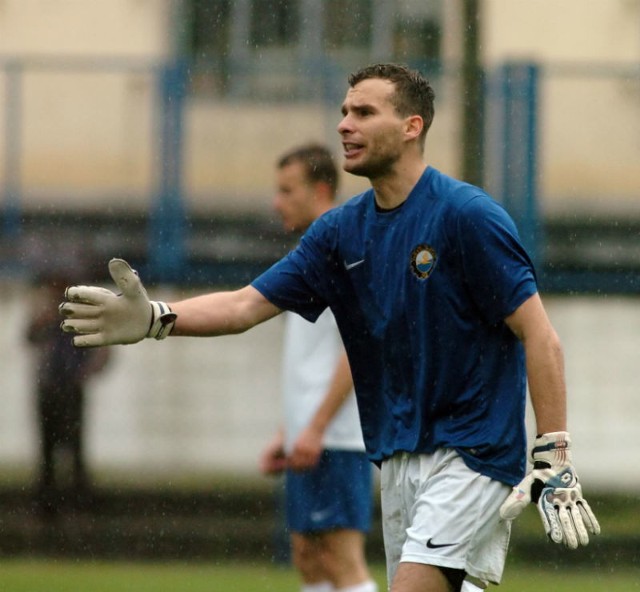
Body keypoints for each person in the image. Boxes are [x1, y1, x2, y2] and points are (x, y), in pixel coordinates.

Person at [59, 63, 600, 592]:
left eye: (364, 112)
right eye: (344, 112)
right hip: (397, 460)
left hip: (473, 455)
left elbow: (540, 335)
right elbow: (245, 305)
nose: (345, 124)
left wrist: (553, 454)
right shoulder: (340, 233)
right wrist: (158, 317)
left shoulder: (466, 215)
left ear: (412, 127)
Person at [259, 144, 377, 592]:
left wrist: (316, 427)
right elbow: (313, 354)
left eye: (287, 190)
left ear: (321, 190)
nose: (277, 201)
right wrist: (288, 430)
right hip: (309, 434)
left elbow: (357, 350)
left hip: (338, 437)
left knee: (341, 557)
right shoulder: (312, 252)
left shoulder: (344, 252)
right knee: (308, 557)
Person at [27, 268, 110, 516]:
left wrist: (85, 373)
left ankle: (78, 502)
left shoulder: (81, 319)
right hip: (50, 388)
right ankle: (48, 504)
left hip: (70, 388)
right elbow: (30, 337)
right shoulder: (45, 316)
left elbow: (102, 349)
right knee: (48, 449)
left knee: (74, 447)